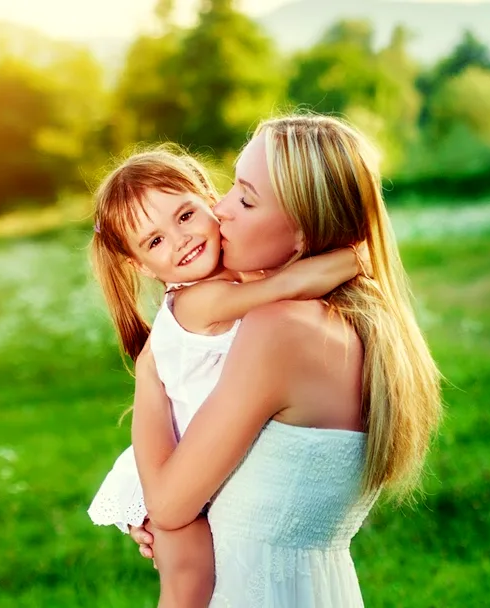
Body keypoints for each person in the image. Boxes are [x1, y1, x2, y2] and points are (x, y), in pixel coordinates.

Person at [128, 114, 443, 607]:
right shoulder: (353, 318)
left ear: (302, 233)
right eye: (231, 186)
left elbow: (168, 504)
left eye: (246, 198)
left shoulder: (280, 330)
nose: (220, 209)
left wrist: (149, 374)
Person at [85, 146, 367, 607]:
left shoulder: (232, 281)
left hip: (193, 463)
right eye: (154, 242)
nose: (179, 240)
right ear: (140, 266)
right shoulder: (198, 301)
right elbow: (286, 286)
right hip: (173, 463)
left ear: (209, 201)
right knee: (189, 584)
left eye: (184, 215)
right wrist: (355, 258)